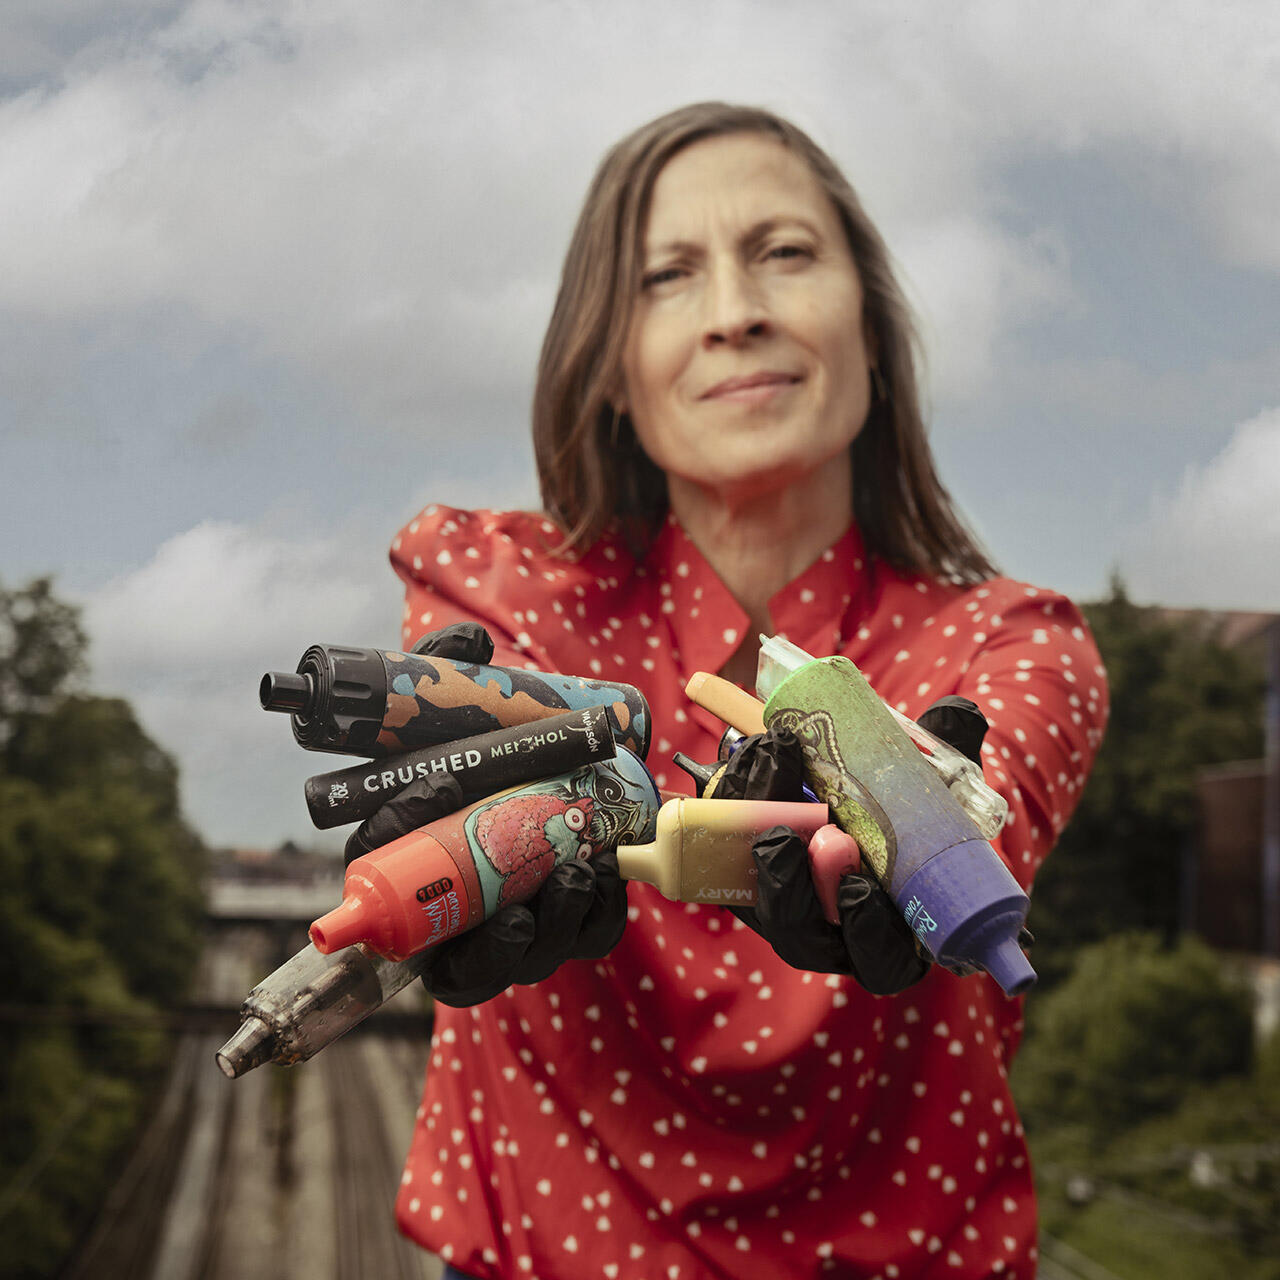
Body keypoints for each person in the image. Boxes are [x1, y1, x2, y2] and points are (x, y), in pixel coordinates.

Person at [354, 102, 1108, 1279]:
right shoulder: (492, 586)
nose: (734, 311)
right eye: (666, 275)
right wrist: (449, 845)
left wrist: (916, 816)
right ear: (605, 366)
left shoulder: (1015, 643)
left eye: (785, 253)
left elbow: (982, 786)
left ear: (870, 326)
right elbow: (471, 752)